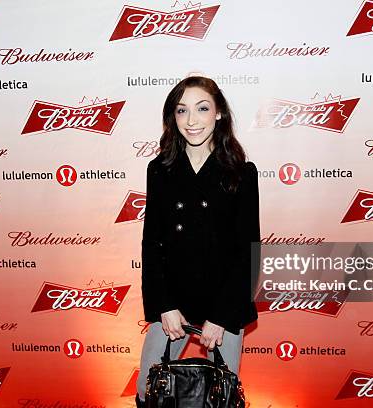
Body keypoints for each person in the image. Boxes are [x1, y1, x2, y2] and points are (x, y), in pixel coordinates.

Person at [135, 75, 260, 406]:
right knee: (149, 392)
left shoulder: (242, 173)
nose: (192, 121)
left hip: (224, 306)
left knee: (221, 395)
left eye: (202, 109)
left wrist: (221, 317)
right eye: (181, 111)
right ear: (172, 118)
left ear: (218, 113)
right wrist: (164, 307)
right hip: (173, 303)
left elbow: (247, 254)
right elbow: (152, 244)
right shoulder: (159, 170)